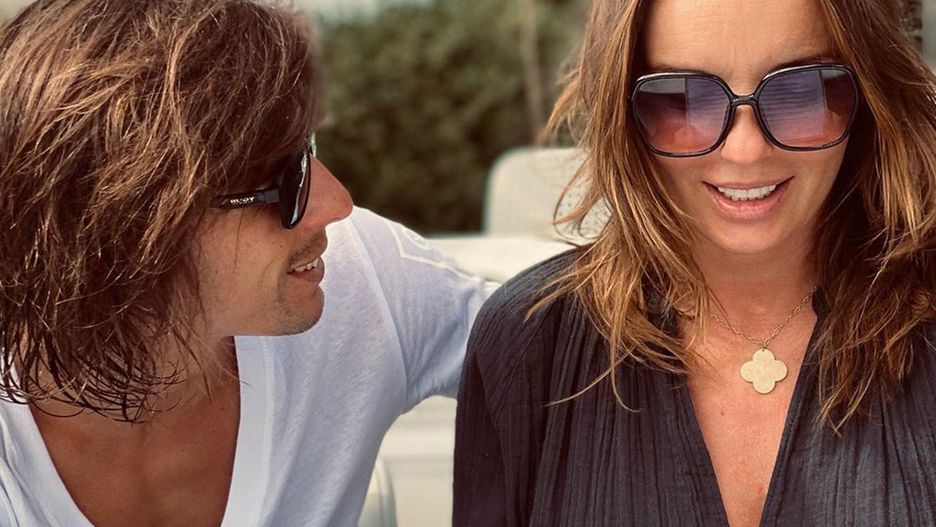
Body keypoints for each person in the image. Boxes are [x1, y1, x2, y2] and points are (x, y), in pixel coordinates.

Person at [0, 1, 492, 525]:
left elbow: (551, 358)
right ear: (127, 227)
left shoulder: (362, 281)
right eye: (281, 179)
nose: (337, 203)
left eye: (306, 150)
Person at [453, 0, 936, 525]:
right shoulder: (528, 341)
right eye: (683, 100)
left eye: (802, 91)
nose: (746, 150)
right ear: (624, 115)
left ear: (868, 95)